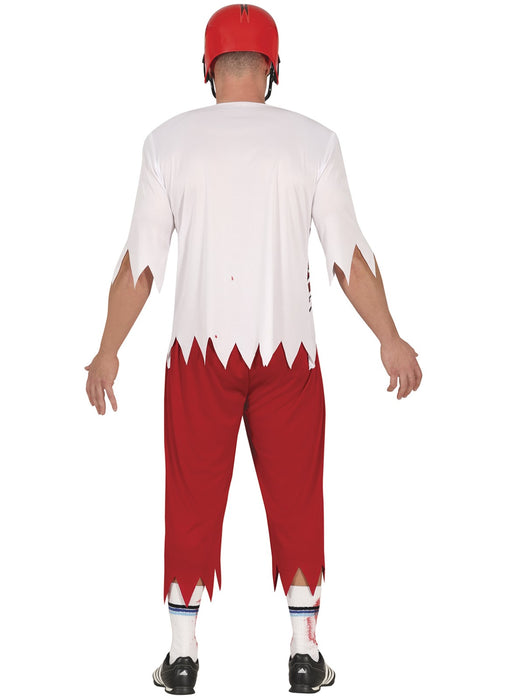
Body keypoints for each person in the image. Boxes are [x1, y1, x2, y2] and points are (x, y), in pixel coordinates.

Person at [84, 4, 422, 694]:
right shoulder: (314, 141)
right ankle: (304, 652)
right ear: (273, 69)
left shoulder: (167, 142)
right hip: (288, 357)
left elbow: (139, 264)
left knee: (189, 496)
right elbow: (349, 257)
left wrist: (107, 350)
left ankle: (182, 655)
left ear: (208, 70)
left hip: (198, 357)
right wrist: (388, 337)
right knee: (298, 496)